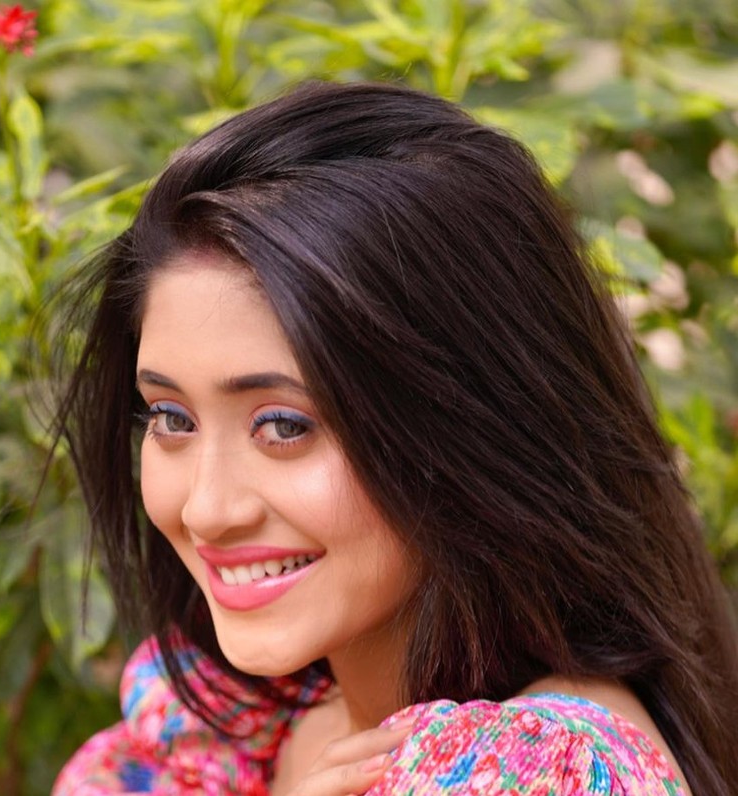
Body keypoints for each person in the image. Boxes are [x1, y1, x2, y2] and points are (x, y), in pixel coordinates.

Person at [50, 81, 738, 795]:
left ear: (468, 428)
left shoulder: (526, 775)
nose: (207, 509)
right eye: (171, 418)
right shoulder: (249, 723)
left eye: (284, 426)